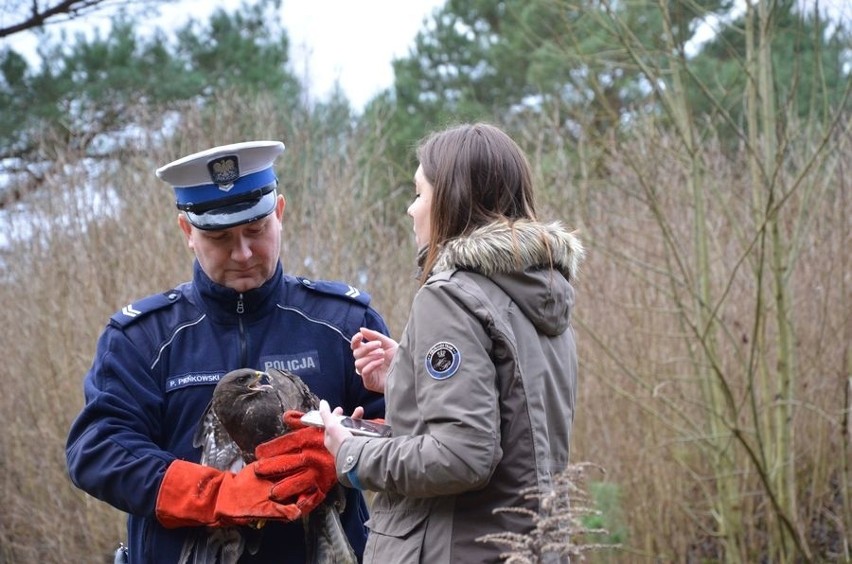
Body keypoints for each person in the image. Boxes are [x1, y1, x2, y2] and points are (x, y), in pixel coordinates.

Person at [65, 140, 388, 563]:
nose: (243, 253)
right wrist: (218, 494)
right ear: (187, 232)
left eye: (256, 230)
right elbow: (99, 449)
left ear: (280, 213)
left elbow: (409, 430)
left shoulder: (343, 322)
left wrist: (341, 457)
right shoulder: (142, 337)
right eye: (219, 237)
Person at [317, 123, 585, 563]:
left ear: (451, 200)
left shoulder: (450, 296)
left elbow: (463, 455)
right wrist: (408, 372)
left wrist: (351, 451)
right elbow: (515, 415)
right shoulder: (541, 293)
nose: (411, 209)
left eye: (419, 193)